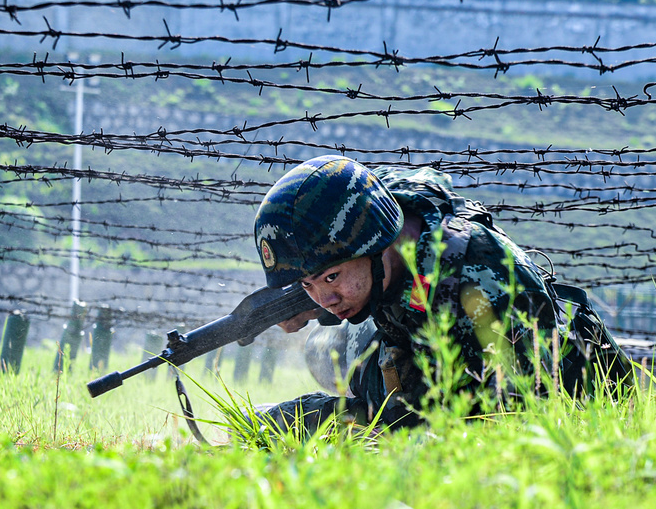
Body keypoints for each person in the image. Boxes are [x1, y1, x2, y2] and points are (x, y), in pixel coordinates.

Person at [253, 155, 631, 436]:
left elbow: (508, 435)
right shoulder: (381, 211)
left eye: (331, 278)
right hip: (414, 344)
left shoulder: (486, 292)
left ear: (379, 246)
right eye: (308, 286)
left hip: (502, 385)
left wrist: (327, 421)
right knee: (318, 348)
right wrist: (302, 293)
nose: (325, 299)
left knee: (334, 369)